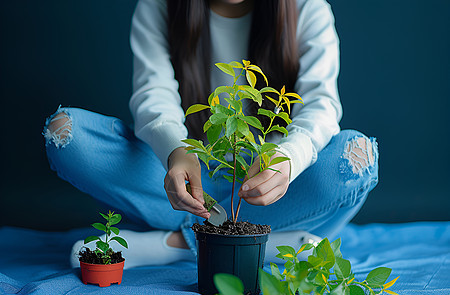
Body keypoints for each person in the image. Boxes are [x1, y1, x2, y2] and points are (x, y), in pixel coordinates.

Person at [43, 0, 379, 269]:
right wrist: (176, 151)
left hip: (269, 182)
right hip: (189, 174)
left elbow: (321, 104)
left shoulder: (307, 7)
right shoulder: (159, 5)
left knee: (357, 156)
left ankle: (171, 246)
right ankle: (278, 244)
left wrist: (288, 158)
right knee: (66, 133)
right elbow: (152, 92)